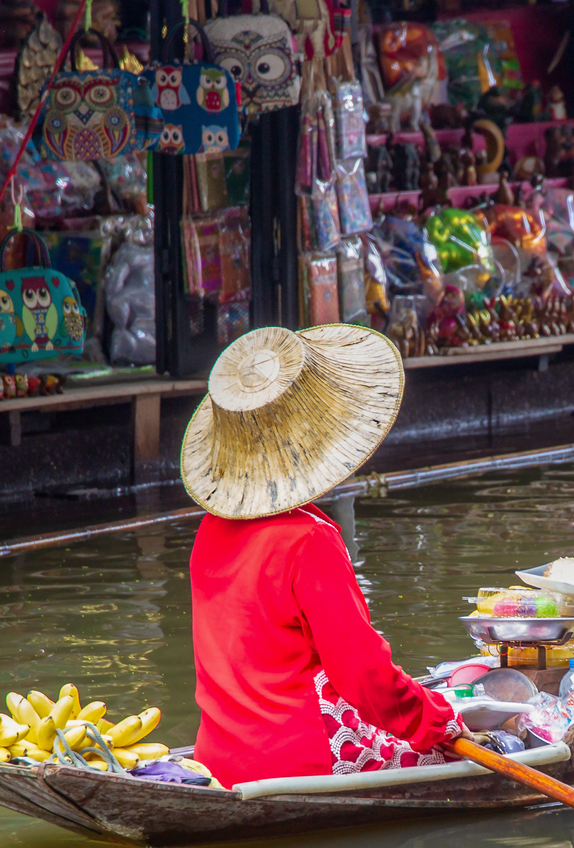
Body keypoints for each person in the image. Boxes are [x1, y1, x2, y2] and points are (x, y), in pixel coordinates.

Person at [182, 324, 465, 787]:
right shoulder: (308, 540)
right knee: (457, 757)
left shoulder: (210, 531)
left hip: (217, 756)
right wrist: (439, 723)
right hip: (302, 760)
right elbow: (363, 675)